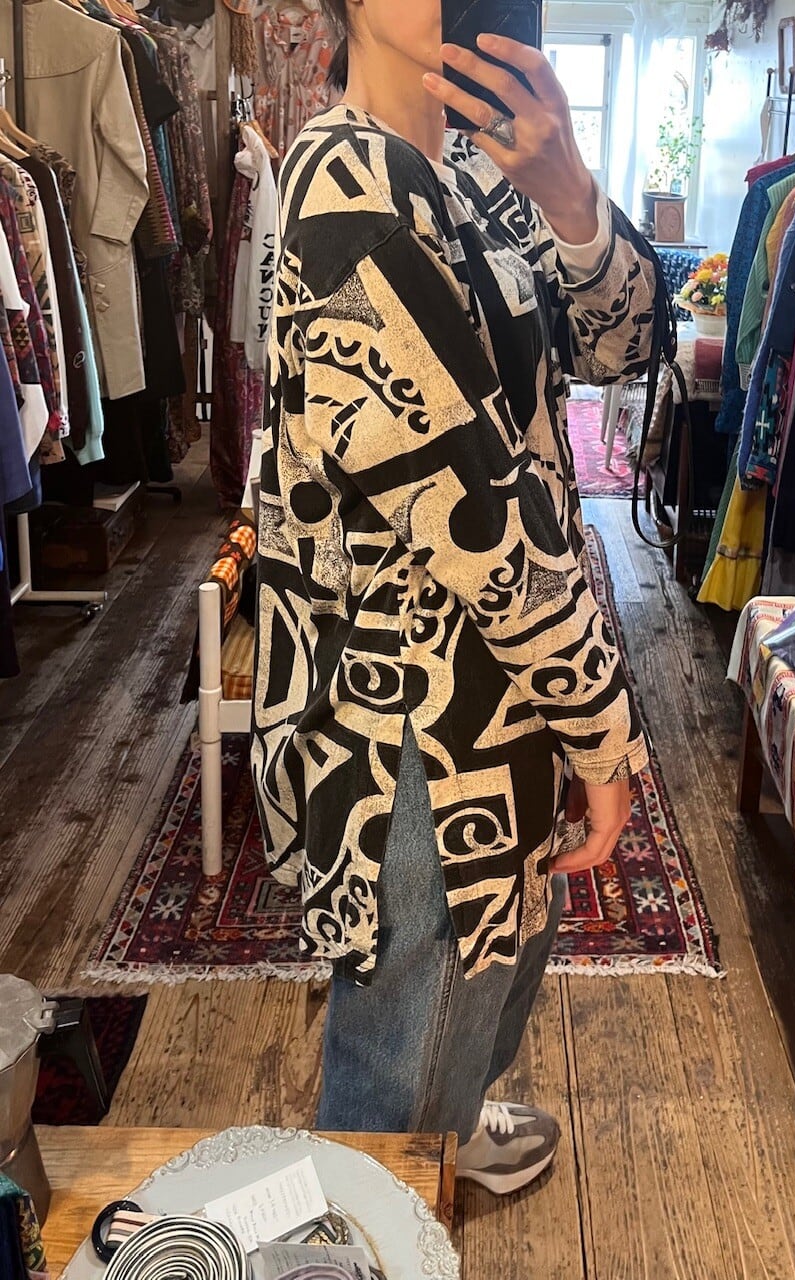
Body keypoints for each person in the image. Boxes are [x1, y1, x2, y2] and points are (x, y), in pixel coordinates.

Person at [251, 0, 660, 1195]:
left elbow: (623, 347)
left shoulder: (477, 175)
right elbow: (476, 518)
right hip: (412, 710)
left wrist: (571, 193)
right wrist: (602, 728)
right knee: (405, 1030)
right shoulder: (347, 189)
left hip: (509, 672)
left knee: (495, 961)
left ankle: (456, 1123)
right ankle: (365, 1219)